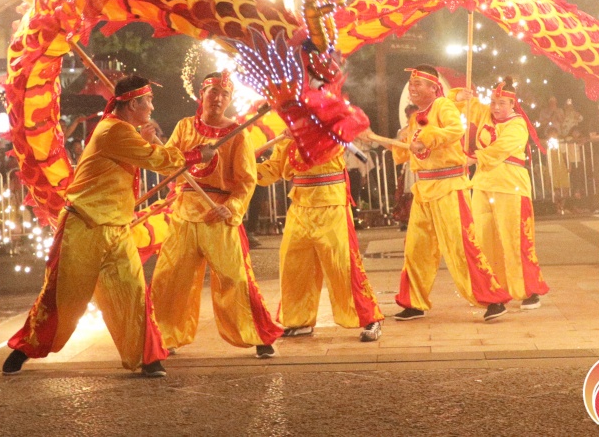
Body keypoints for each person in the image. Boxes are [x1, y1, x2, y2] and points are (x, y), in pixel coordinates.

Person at [2, 76, 199, 377]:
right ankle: (24, 348)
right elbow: (156, 159)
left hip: (117, 228)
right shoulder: (112, 131)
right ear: (133, 104)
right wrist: (196, 155)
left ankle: (148, 358)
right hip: (84, 226)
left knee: (134, 293)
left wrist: (148, 141)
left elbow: (144, 154)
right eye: (148, 101)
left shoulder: (122, 131)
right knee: (64, 300)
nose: (152, 107)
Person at [150, 71, 283, 359]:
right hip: (185, 212)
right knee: (169, 278)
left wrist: (231, 207)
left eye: (225, 94)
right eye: (213, 92)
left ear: (230, 99)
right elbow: (167, 164)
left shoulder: (238, 133)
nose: (218, 99)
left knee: (234, 278)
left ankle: (256, 334)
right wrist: (152, 143)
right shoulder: (185, 127)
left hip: (218, 214)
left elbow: (246, 180)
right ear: (202, 94)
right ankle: (164, 336)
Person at [363, 66, 510, 322]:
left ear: (434, 88)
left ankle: (493, 299)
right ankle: (413, 302)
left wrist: (428, 138)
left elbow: (455, 130)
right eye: (411, 83)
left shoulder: (443, 105)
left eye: (418, 83)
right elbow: (406, 149)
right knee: (416, 248)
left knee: (460, 246)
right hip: (424, 190)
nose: (412, 87)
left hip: (449, 187)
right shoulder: (415, 118)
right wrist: (374, 138)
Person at [257, 132, 385, 342]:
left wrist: (302, 134)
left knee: (342, 264)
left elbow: (326, 150)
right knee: (294, 264)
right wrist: (243, 167)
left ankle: (370, 318)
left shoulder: (327, 127)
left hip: (330, 204)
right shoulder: (287, 136)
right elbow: (274, 169)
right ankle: (299, 320)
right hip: (300, 206)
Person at [457, 79, 549, 309]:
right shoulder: (485, 114)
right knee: (483, 239)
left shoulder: (518, 125)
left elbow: (501, 148)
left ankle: (528, 291)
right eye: (493, 102)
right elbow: (460, 106)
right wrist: (459, 96)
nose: (496, 107)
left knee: (514, 240)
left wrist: (474, 157)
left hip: (510, 186)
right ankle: (492, 290)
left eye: (502, 103)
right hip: (483, 185)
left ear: (512, 104)